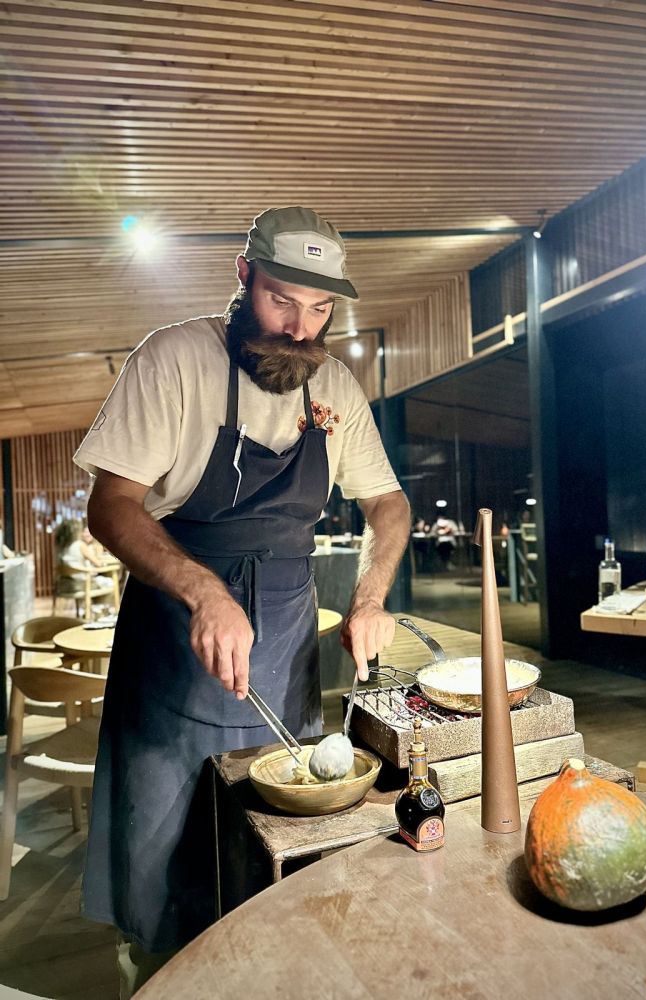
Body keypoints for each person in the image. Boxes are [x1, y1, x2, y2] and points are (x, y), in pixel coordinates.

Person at [73, 206, 411, 996]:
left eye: (321, 308)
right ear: (243, 276)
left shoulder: (333, 386)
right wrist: (202, 587)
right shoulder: (174, 360)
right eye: (283, 301)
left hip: (288, 628)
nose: (301, 328)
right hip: (179, 623)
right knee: (165, 827)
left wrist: (369, 597)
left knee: (284, 808)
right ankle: (155, 971)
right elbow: (112, 505)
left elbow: (387, 506)